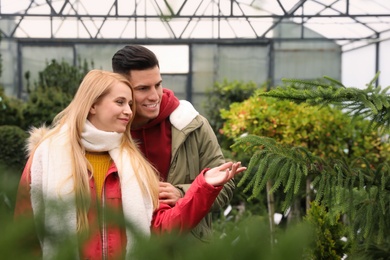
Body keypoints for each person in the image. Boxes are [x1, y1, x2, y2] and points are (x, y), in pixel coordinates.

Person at [13, 70, 246, 259]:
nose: (128, 111)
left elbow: (161, 227)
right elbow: (25, 232)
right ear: (92, 105)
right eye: (120, 102)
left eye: (130, 104)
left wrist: (203, 187)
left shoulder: (135, 164)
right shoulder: (47, 156)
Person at [112, 45, 235, 242]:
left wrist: (182, 193)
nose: (154, 96)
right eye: (143, 89)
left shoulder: (192, 124)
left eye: (158, 85)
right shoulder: (110, 132)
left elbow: (225, 184)